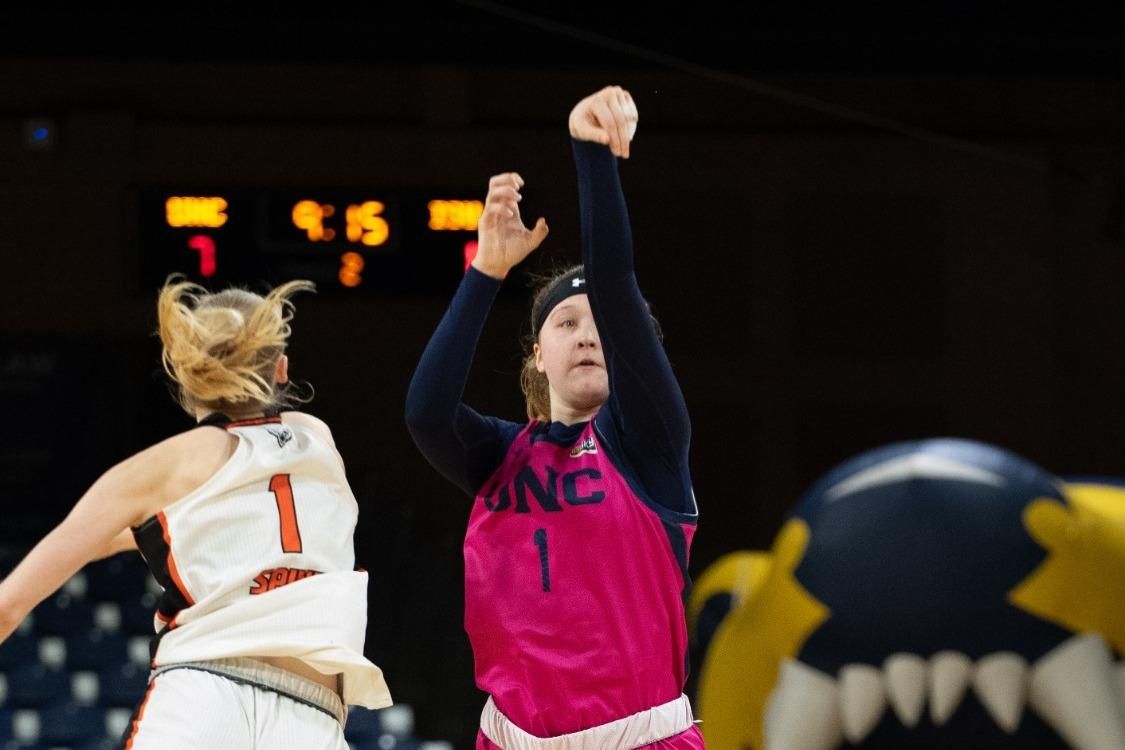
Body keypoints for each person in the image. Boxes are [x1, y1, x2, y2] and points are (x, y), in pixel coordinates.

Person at [406, 85, 704, 749]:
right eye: (566, 323)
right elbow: (426, 413)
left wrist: (590, 155)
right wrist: (486, 269)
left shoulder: (650, 445)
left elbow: (616, 282)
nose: (588, 335)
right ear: (537, 355)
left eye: (601, 325)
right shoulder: (498, 454)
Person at [0, 277, 391, 748]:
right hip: (311, 714)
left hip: (200, 695)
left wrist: (86, 539)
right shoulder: (318, 440)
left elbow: (8, 605)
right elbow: (223, 516)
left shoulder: (161, 469)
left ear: (185, 376)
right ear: (281, 368)